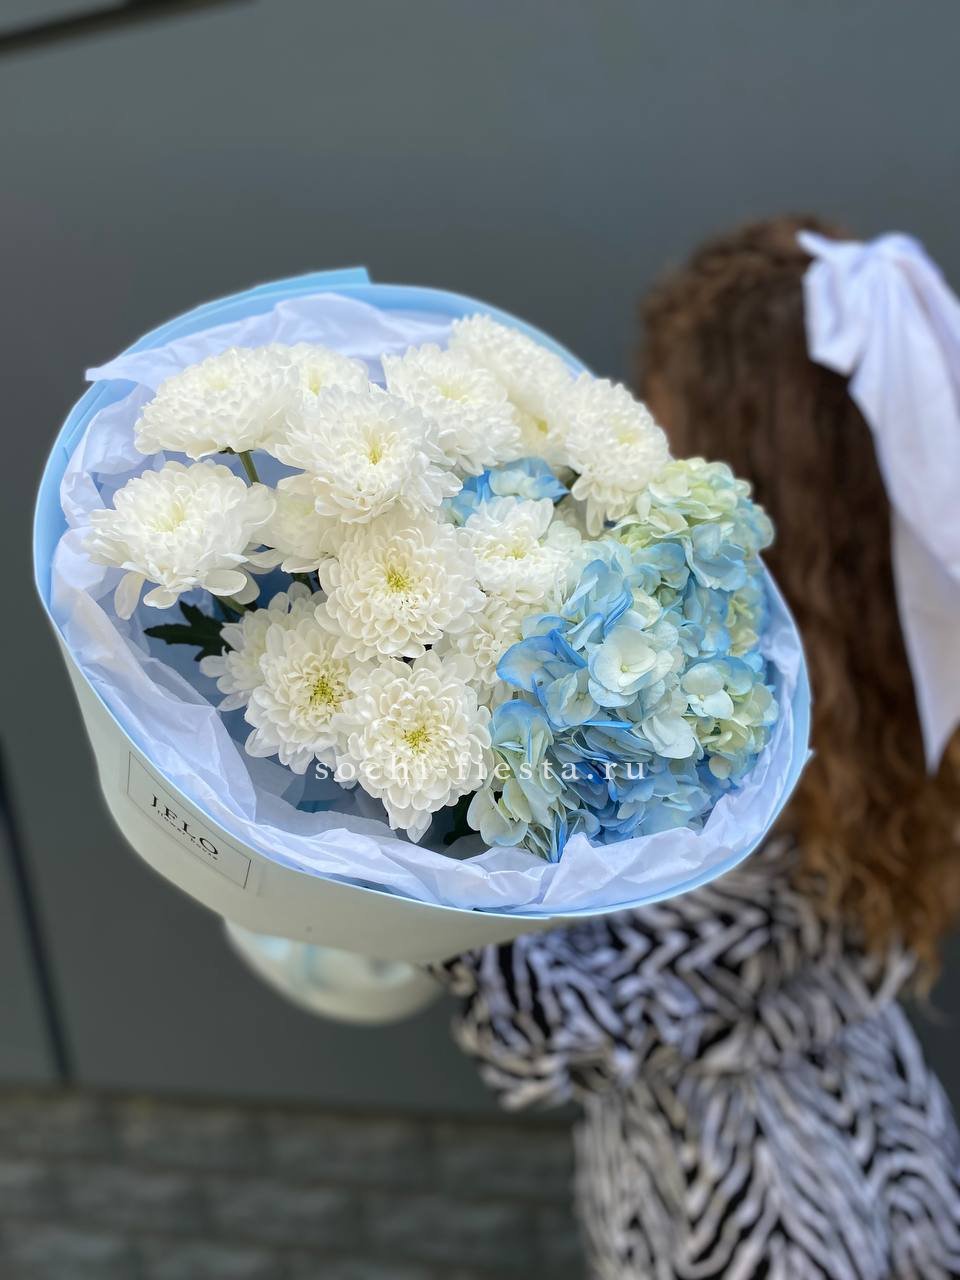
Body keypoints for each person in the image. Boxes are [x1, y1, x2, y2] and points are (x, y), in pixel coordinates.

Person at [440, 216, 960, 1279]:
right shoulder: (901, 661)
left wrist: (432, 864)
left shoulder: (727, 718)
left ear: (742, 451)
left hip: (741, 1184)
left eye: (665, 409)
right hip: (876, 1119)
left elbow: (558, 1023)